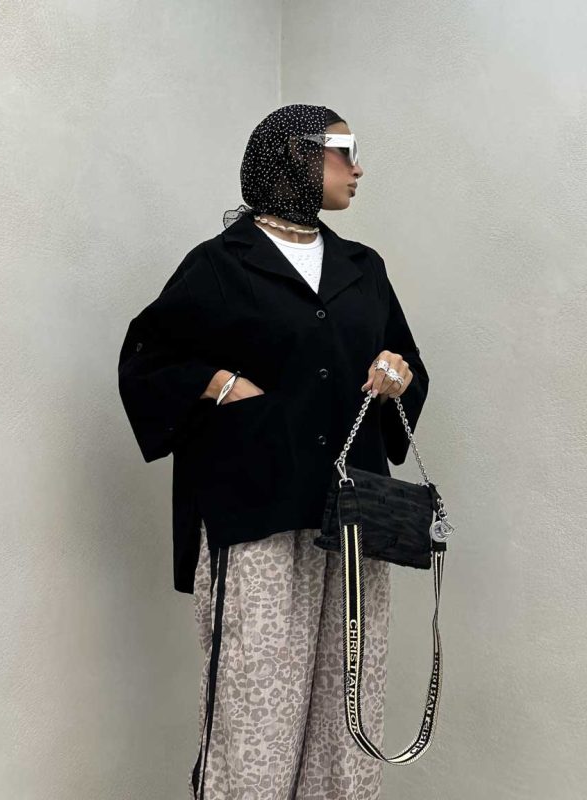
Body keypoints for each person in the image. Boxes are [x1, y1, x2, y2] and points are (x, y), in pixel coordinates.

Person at [117, 104, 429, 799]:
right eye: (344, 149)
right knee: (256, 706)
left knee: (348, 705)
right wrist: (222, 384)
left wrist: (397, 374)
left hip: (353, 521)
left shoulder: (363, 268)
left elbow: (405, 359)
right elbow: (149, 362)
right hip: (255, 512)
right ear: (296, 156)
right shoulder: (220, 265)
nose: (358, 167)